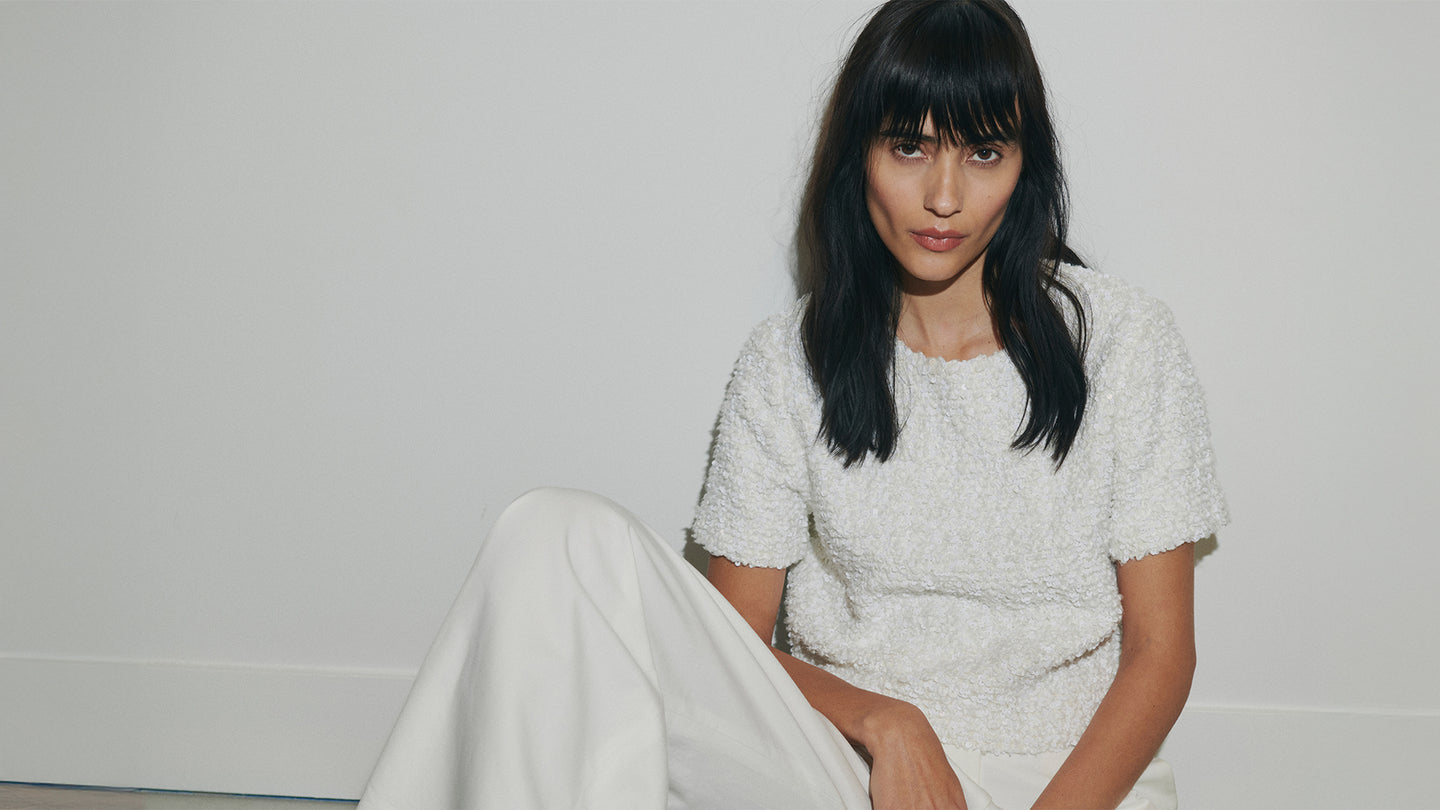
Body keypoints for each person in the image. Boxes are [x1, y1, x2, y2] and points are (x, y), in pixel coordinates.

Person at [357, 1, 1226, 808]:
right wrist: (886, 720)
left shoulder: (1124, 343)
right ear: (861, 158)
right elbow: (738, 648)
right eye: (911, 147)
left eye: (984, 153)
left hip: (1067, 783)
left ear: (1026, 166)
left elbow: (1161, 658)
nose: (946, 198)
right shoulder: (786, 362)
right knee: (548, 532)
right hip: (838, 770)